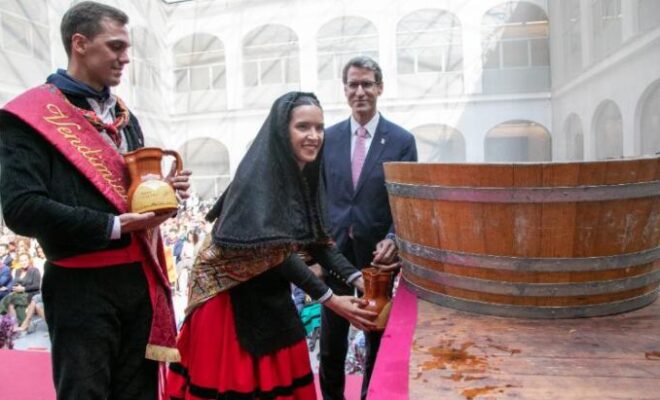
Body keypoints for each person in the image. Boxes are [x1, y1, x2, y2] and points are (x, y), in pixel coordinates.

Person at [0, 2, 191, 399]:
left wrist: (161, 190)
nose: (126, 58)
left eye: (127, 48)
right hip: (80, 286)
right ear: (80, 44)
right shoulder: (29, 117)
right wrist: (113, 225)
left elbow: (126, 193)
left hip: (138, 283)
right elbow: (22, 208)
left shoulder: (124, 115)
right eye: (115, 46)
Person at [167, 92, 377, 400]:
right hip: (228, 304)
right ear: (282, 130)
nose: (314, 136)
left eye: (319, 128)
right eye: (303, 127)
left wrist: (360, 280)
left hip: (271, 296)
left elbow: (317, 242)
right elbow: (274, 252)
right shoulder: (259, 177)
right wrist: (332, 300)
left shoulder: (305, 174)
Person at [320, 56, 418, 400]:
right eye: (353, 84)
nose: (359, 91)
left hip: (378, 260)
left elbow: (406, 201)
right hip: (335, 256)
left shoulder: (402, 141)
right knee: (330, 343)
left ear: (380, 88)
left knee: (375, 338)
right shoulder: (327, 138)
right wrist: (319, 246)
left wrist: (393, 238)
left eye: (367, 84)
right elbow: (319, 194)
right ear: (345, 90)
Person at [0, 253, 41, 325]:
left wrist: (24, 289)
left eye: (25, 260)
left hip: (31, 293)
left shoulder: (35, 270)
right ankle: (16, 323)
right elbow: (14, 283)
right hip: (19, 293)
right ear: (19, 262)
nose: (23, 262)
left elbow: (36, 286)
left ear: (29, 260)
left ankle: (5, 315)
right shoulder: (18, 271)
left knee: (11, 298)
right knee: (10, 299)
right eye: (21, 261)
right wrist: (8, 287)